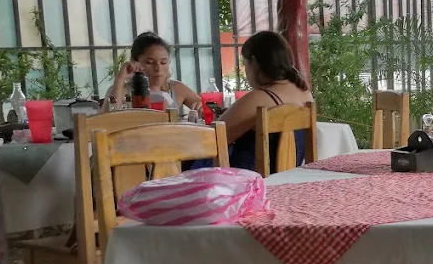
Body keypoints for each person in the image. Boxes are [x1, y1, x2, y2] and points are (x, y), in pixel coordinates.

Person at [221, 31, 313, 171]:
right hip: (289, 177)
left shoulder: (259, 98)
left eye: (245, 64)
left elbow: (213, 140)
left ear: (253, 62)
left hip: (248, 184)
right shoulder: (304, 92)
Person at [105, 32, 201, 113]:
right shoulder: (124, 90)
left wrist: (200, 108)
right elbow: (104, 120)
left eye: (163, 62)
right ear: (135, 61)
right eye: (150, 62)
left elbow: (205, 108)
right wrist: (120, 78)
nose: (158, 68)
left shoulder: (177, 89)